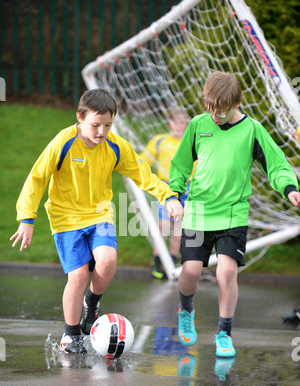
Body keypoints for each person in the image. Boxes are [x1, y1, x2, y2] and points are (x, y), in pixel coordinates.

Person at [10, 88, 184, 354]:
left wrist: (168, 196)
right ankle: (71, 335)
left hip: (100, 213)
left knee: (108, 260)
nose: (101, 131)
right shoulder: (63, 142)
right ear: (80, 118)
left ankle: (92, 303)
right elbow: (37, 178)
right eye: (95, 125)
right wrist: (27, 218)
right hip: (65, 218)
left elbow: (142, 173)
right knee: (78, 275)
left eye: (107, 125)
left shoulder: (115, 145)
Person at [169, 71, 300, 357]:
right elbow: (178, 166)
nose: (214, 115)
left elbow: (276, 164)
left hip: (232, 214)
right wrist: (173, 194)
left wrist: (289, 187)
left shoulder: (252, 130)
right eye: (210, 108)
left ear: (237, 102)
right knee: (190, 271)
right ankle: (186, 310)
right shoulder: (197, 125)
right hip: (199, 211)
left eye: (221, 110)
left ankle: (224, 333)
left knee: (226, 274)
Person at [140, 107, 193, 279]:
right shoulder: (159, 140)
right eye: (175, 124)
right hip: (165, 187)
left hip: (186, 188)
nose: (178, 128)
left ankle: (173, 260)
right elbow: (143, 160)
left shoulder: (190, 142)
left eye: (182, 124)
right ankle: (157, 261)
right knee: (163, 226)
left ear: (186, 126)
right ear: (169, 124)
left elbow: (199, 167)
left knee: (179, 228)